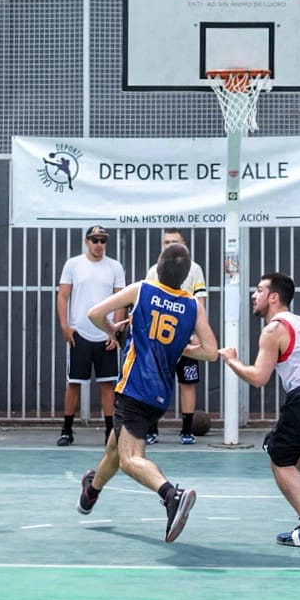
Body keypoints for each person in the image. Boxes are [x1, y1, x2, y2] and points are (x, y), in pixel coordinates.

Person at [74, 243, 219, 543]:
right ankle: (92, 489)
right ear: (186, 275)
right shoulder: (193, 305)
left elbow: (93, 314)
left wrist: (113, 331)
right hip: (161, 394)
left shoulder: (142, 289)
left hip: (133, 388)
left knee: (129, 459)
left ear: (157, 266)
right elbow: (211, 352)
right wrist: (182, 348)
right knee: (115, 450)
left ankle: (171, 495)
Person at [219, 272, 300, 548]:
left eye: (259, 290)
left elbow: (258, 377)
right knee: (290, 448)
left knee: (279, 455)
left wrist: (231, 361)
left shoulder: (273, 329)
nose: (254, 296)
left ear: (274, 297)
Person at [57, 225, 127, 446]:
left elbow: (121, 299)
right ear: (86, 241)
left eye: (102, 241)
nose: (99, 245)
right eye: (95, 240)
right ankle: (67, 430)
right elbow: (63, 296)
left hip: (105, 335)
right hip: (80, 334)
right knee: (74, 383)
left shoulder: (115, 267)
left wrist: (114, 330)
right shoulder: (73, 264)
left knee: (108, 385)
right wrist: (65, 327)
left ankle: (110, 433)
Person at [143, 228, 209, 445]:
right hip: (160, 337)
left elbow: (200, 302)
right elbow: (147, 302)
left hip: (186, 338)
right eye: (166, 242)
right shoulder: (154, 271)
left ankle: (187, 429)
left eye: (174, 242)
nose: (170, 245)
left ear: (184, 246)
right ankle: (151, 429)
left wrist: (199, 334)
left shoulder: (195, 269)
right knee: (155, 382)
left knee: (188, 382)